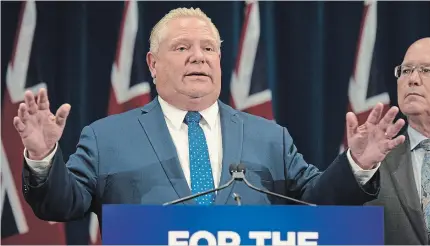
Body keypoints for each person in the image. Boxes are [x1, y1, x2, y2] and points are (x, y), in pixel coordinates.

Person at [14, 7, 405, 230]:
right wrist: (44, 157)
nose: (198, 57)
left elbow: (319, 201)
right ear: (153, 63)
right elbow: (62, 205)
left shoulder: (270, 137)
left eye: (207, 48)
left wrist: (357, 165)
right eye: (182, 47)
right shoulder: (106, 137)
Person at [365, 37, 430, 245]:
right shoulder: (370, 160)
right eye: (406, 70)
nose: (413, 79)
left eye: (427, 70)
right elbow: (331, 219)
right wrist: (358, 166)